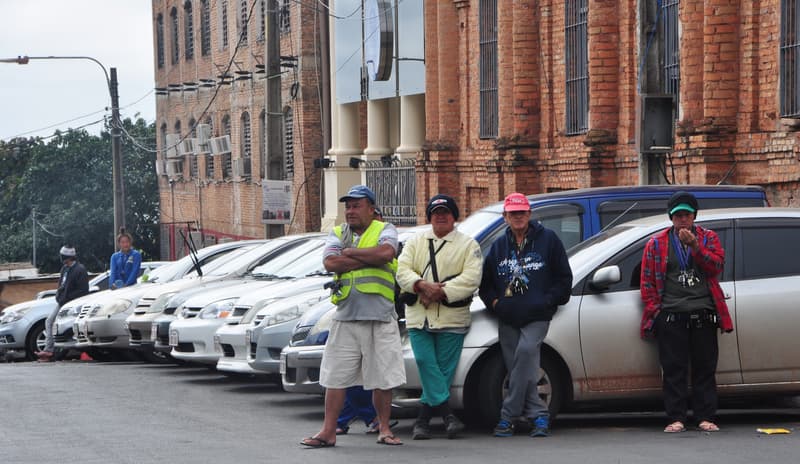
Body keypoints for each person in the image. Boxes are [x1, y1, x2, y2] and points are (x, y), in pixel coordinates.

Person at [301, 185, 406, 448]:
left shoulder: (385, 229)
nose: (350, 211)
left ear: (371, 209)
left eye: (356, 205)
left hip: (380, 316)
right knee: (335, 376)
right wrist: (367, 259)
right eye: (347, 206)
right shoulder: (337, 232)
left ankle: (383, 428)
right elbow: (330, 263)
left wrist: (349, 253)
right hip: (346, 316)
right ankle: (328, 431)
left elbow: (386, 254)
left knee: (383, 376)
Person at [479, 192, 572, 438]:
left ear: (529, 214)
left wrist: (547, 300)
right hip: (508, 317)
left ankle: (507, 417)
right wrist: (496, 304)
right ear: (505, 216)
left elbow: (564, 279)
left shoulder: (549, 239)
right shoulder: (499, 245)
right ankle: (539, 416)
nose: (518, 217)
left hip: (538, 316)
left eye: (522, 212)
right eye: (513, 213)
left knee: (525, 353)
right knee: (522, 368)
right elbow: (485, 285)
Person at [640, 191, 733, 433]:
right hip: (671, 313)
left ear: (694, 216)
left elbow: (715, 267)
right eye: (678, 215)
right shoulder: (657, 243)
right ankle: (676, 417)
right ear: (671, 217)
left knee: (705, 367)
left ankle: (705, 416)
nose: (682, 220)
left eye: (687, 215)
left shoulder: (708, 238)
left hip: (703, 311)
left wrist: (694, 245)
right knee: (673, 368)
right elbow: (647, 281)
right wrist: (656, 310)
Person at [396, 194, 483, 440]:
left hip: (451, 318)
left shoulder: (469, 245)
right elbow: (402, 270)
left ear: (454, 216)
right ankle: (448, 416)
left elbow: (471, 279)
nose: (441, 217)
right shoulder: (416, 241)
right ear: (430, 217)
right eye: (436, 213)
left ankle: (422, 422)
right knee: (426, 363)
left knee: (443, 372)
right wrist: (421, 285)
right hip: (418, 317)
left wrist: (439, 292)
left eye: (445, 212)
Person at [36, 245, 90, 361]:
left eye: (63, 256)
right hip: (62, 303)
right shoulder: (64, 269)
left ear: (68, 257)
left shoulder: (80, 270)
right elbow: (61, 285)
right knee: (50, 321)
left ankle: (55, 350)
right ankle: (49, 349)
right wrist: (58, 296)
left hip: (73, 304)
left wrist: (68, 298)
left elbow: (83, 290)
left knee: (65, 326)